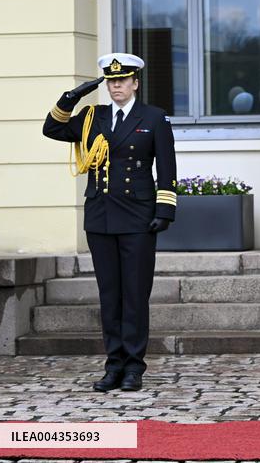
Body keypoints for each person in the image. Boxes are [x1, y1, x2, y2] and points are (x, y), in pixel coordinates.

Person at [42, 53, 177, 392]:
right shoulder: (92, 117)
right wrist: (71, 98)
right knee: (109, 295)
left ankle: (134, 367)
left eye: (123, 80)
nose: (117, 86)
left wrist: (164, 211)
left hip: (138, 217)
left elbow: (167, 168)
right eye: (111, 81)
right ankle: (113, 365)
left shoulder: (154, 118)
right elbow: (53, 128)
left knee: (134, 294)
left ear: (135, 83)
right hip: (101, 216)